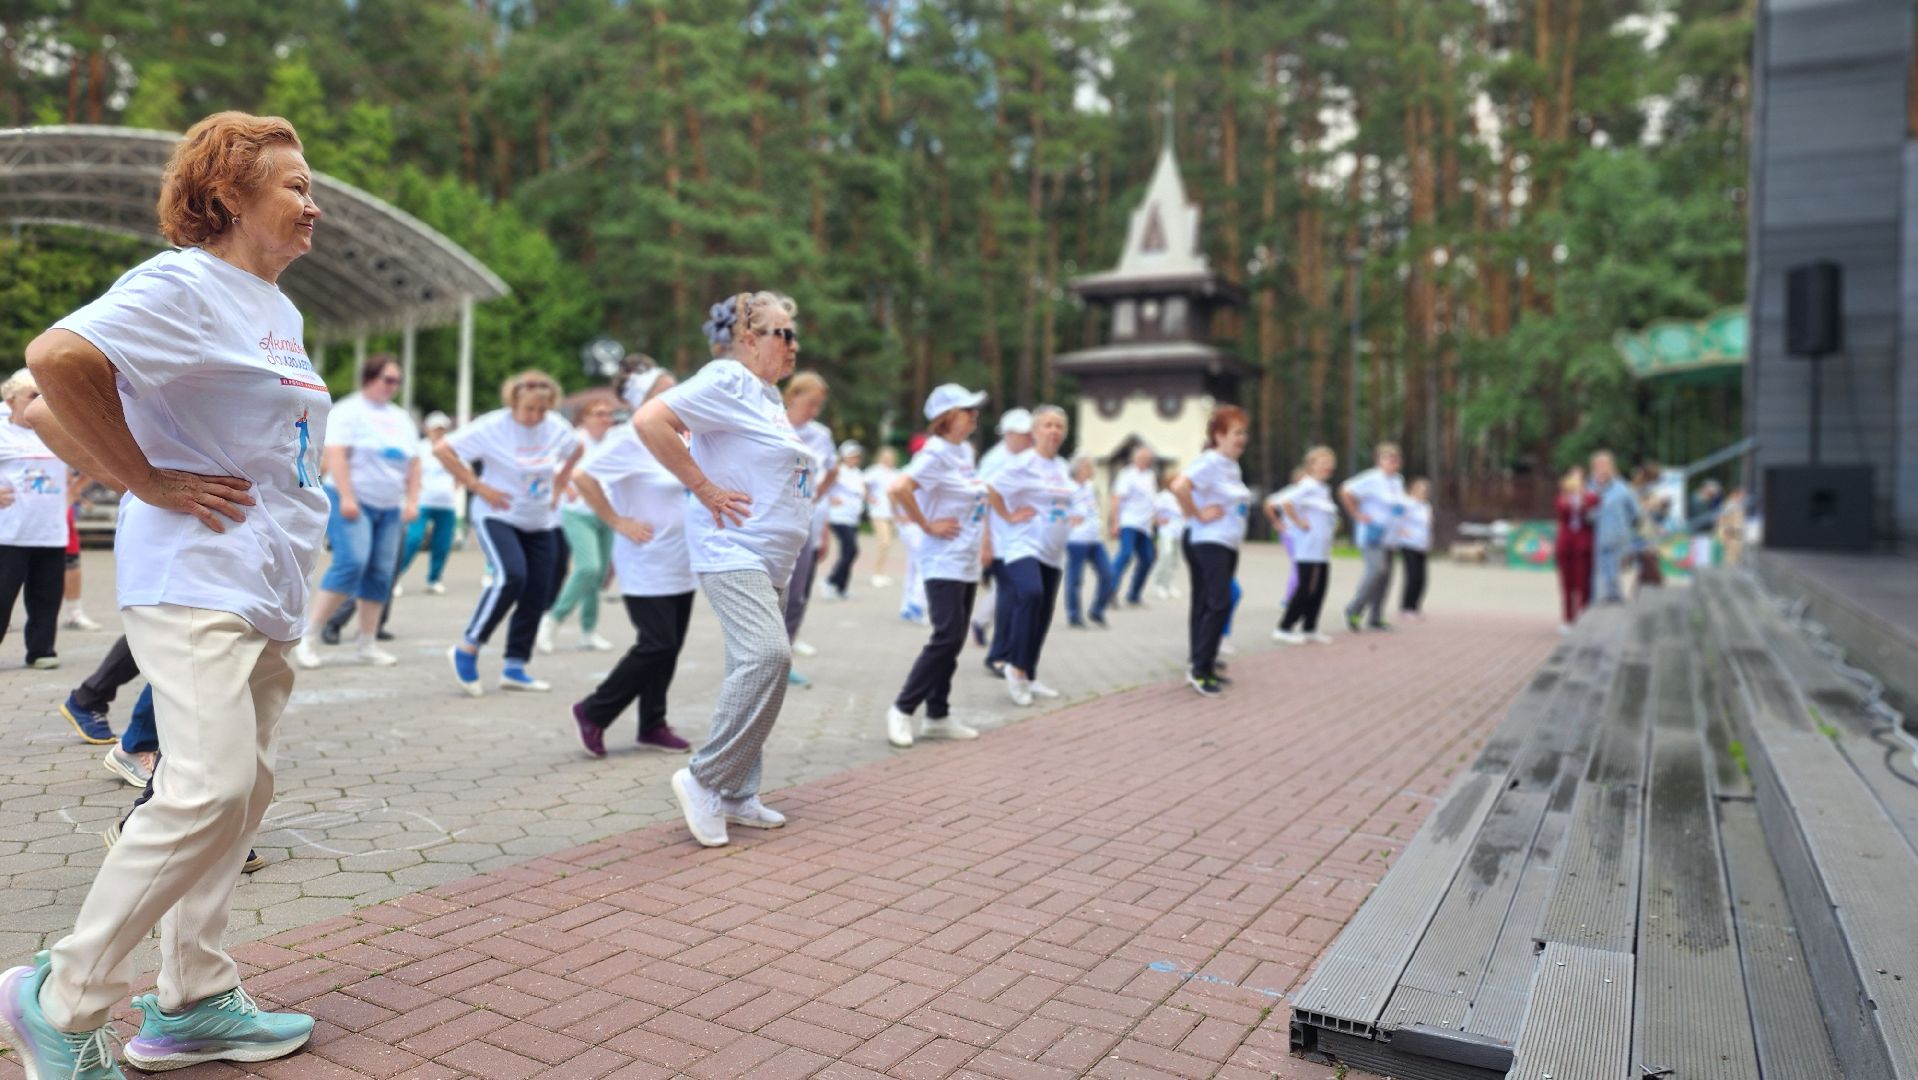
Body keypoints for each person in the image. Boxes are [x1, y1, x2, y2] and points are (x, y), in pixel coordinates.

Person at [6, 110, 328, 1077]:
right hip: (195, 578)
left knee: (245, 791)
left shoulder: (275, 307)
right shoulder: (184, 281)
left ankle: (192, 999)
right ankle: (59, 998)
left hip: (263, 579)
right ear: (227, 197)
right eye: (296, 187)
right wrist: (141, 479)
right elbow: (54, 362)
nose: (314, 205)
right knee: (210, 784)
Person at [635, 291, 807, 848]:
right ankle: (704, 778)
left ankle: (736, 792)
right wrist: (704, 488)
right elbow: (650, 420)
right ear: (749, 339)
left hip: (770, 556)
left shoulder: (768, 398)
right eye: (783, 333)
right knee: (767, 655)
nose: (794, 345)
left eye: (795, 333)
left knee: (758, 670)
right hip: (733, 551)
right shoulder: (729, 379)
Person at [569, 367, 696, 756]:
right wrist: (616, 520)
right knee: (656, 644)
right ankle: (594, 710)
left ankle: (652, 723)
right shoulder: (628, 438)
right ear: (644, 399)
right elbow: (582, 476)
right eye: (664, 391)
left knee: (670, 646)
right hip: (645, 559)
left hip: (681, 558)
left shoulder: (679, 435)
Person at [438, 371, 583, 695]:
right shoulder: (493, 426)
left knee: (538, 590)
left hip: (540, 519)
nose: (535, 416)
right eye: (529, 409)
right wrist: (477, 486)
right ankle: (467, 646)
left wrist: (560, 485)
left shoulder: (556, 427)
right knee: (511, 576)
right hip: (497, 515)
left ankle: (515, 666)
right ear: (514, 402)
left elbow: (577, 448)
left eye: (542, 410)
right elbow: (443, 450)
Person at [292, 355, 419, 669]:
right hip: (353, 499)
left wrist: (412, 500)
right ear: (370, 378)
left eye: (397, 381)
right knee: (353, 562)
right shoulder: (350, 411)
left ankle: (367, 642)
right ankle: (308, 636)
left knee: (380, 573)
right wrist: (347, 497)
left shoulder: (400, 417)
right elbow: (335, 454)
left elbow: (414, 462)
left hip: (389, 505)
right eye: (388, 379)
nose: (393, 386)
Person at [885, 384, 990, 747]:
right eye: (967, 409)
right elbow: (899, 488)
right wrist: (926, 524)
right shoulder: (935, 453)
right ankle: (902, 708)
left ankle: (938, 715)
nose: (974, 413)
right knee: (945, 636)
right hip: (942, 558)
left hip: (965, 557)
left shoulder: (964, 451)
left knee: (955, 639)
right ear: (946, 418)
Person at [987, 405, 1075, 706]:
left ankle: (1030, 675)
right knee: (1031, 594)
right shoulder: (1023, 463)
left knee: (1043, 612)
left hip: (1053, 551)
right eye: (1048, 425)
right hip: (1023, 544)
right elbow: (991, 490)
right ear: (1035, 432)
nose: (1054, 431)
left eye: (1059, 426)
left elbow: (1064, 501)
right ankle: (1016, 667)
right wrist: (1008, 516)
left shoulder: (1062, 466)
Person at [1170, 407, 1251, 697]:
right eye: (1236, 432)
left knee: (1208, 602)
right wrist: (1198, 515)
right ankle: (1199, 670)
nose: (1243, 438)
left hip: (1226, 542)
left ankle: (1202, 660)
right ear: (1219, 435)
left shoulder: (1231, 466)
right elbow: (1179, 487)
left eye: (1244, 432)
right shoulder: (1210, 461)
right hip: (1208, 542)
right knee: (1218, 601)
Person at [0, 369, 70, 670]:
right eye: (32, 396)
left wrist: (74, 492)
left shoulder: (57, 432)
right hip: (10, 533)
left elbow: (89, 464)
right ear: (11, 399)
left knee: (47, 596)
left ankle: (41, 650)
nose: (39, 402)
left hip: (51, 531)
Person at [541, 394, 622, 654]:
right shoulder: (574, 440)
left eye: (608, 414)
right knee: (588, 567)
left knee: (597, 578)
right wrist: (565, 485)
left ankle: (588, 632)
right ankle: (553, 619)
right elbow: (550, 466)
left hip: (607, 513)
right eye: (598, 414)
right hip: (578, 513)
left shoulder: (616, 440)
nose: (605, 419)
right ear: (584, 418)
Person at [781, 371, 837, 687]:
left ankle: (784, 658)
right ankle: (756, 658)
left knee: (798, 595)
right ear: (793, 396)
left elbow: (832, 472)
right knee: (771, 593)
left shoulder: (821, 435)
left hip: (806, 524)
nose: (814, 411)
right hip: (773, 523)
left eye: (819, 405)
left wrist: (819, 510)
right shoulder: (773, 424)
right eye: (810, 403)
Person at [974, 408, 1032, 664]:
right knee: (1009, 594)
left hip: (1018, 538)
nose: (1028, 438)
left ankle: (997, 642)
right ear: (1008, 435)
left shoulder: (1026, 457)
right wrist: (985, 542)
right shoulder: (994, 460)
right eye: (1023, 434)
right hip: (997, 539)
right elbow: (982, 501)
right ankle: (999, 654)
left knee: (1011, 593)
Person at [1271, 447, 1339, 645]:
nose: (1327, 467)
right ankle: (1284, 627)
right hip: (1307, 547)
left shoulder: (1323, 488)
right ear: (1311, 466)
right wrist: (1299, 522)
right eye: (1322, 463)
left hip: (1322, 547)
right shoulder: (1307, 485)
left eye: (1329, 463)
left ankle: (1310, 627)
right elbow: (1285, 502)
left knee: (1320, 588)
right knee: (1305, 588)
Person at [1340, 442, 1406, 632]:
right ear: (1379, 460)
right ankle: (1354, 608)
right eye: (1388, 458)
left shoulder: (1397, 481)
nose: (1393, 462)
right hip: (1372, 534)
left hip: (1390, 535)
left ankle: (1376, 616)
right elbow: (1345, 490)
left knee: (1386, 576)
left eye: (1396, 459)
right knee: (1376, 570)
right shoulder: (1371, 478)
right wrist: (1356, 514)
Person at [398, 411, 459, 594]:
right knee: (414, 539)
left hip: (446, 504)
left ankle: (434, 579)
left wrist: (454, 489)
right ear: (428, 429)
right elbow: (408, 471)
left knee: (442, 543)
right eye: (435, 429)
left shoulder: (452, 448)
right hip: (423, 501)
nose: (438, 432)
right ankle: (394, 577)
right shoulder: (419, 448)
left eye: (441, 429)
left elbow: (462, 470)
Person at [1063, 454, 1114, 629]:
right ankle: (1074, 615)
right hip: (1076, 539)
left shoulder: (1091, 486)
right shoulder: (1067, 487)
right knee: (1075, 579)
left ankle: (1097, 611)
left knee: (1107, 574)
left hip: (1095, 538)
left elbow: (1096, 507)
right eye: (1089, 466)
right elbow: (1056, 509)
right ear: (1079, 469)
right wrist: (1069, 517)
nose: (1092, 470)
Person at [1108, 445, 1158, 607]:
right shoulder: (1127, 474)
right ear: (1134, 459)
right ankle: (1109, 591)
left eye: (1147, 459)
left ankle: (1134, 595)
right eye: (1141, 458)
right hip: (1129, 521)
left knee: (1148, 558)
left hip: (1145, 525)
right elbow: (1116, 498)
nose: (1144, 461)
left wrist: (1155, 517)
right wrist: (1115, 522)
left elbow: (1151, 500)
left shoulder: (1150, 475)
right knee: (1126, 554)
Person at [1589, 450, 1637, 605]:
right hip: (1595, 538)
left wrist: (1623, 526)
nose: (1602, 469)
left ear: (1612, 467)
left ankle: (1615, 597)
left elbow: (1634, 512)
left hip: (1617, 537)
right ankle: (1601, 600)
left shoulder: (1622, 489)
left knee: (1614, 570)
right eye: (1598, 466)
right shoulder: (1588, 489)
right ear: (1593, 468)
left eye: (1605, 465)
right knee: (1598, 572)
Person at [1553, 466, 1597, 630]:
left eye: (1579, 479)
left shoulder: (1591, 497)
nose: (1575, 482)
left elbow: (1591, 511)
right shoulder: (1562, 498)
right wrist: (1570, 498)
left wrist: (1582, 498)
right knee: (1566, 584)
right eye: (1572, 478)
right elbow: (1562, 511)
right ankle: (1567, 619)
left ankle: (1584, 618)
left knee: (1583, 583)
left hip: (1583, 546)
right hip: (1566, 546)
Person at [823, 440, 865, 600]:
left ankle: (842, 587)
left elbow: (860, 492)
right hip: (839, 516)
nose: (855, 459)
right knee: (852, 550)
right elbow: (821, 487)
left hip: (853, 517)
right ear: (844, 456)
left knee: (847, 552)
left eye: (857, 457)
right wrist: (829, 498)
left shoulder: (857, 473)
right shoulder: (837, 471)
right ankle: (830, 580)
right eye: (852, 456)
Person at [1263, 465, 1308, 608]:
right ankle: (1289, 598)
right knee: (1298, 565)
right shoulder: (1290, 492)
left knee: (1304, 566)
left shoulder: (1310, 494)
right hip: (1290, 533)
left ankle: (1299, 597)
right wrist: (1277, 522)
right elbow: (1269, 504)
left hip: (1304, 535)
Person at [61, 486, 102, 631]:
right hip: (16, 507)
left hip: (57, 509)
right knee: (11, 566)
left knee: (72, 563)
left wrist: (77, 489)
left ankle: (74, 614)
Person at [1396, 478, 1433, 619]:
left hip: (1422, 545)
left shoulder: (1426, 506)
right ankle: (1406, 606)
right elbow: (1395, 517)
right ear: (1412, 490)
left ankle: (1415, 606)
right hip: (1408, 544)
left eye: (1425, 491)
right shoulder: (1406, 503)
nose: (1423, 493)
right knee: (1412, 576)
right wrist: (1400, 531)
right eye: (1420, 490)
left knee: (1422, 578)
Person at [864, 446, 900, 587]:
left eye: (890, 457)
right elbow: (863, 482)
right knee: (883, 542)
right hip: (878, 512)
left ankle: (882, 572)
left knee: (887, 544)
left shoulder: (896, 473)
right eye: (886, 457)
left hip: (891, 513)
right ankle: (877, 574)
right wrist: (869, 497)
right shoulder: (875, 471)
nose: (888, 460)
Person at [1150, 488, 1185, 600]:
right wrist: (1155, 520)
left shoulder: (1183, 496)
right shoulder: (1164, 496)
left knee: (1175, 560)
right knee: (1166, 555)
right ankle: (1159, 584)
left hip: (1178, 533)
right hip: (1166, 532)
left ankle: (1169, 584)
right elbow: (1152, 508)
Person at [1715, 486, 1747, 568]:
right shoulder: (1729, 505)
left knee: (1735, 556)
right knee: (1729, 558)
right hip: (1730, 535)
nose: (1743, 497)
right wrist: (1726, 535)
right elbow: (1722, 522)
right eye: (1741, 495)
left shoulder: (1738, 505)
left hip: (1736, 535)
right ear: (1735, 495)